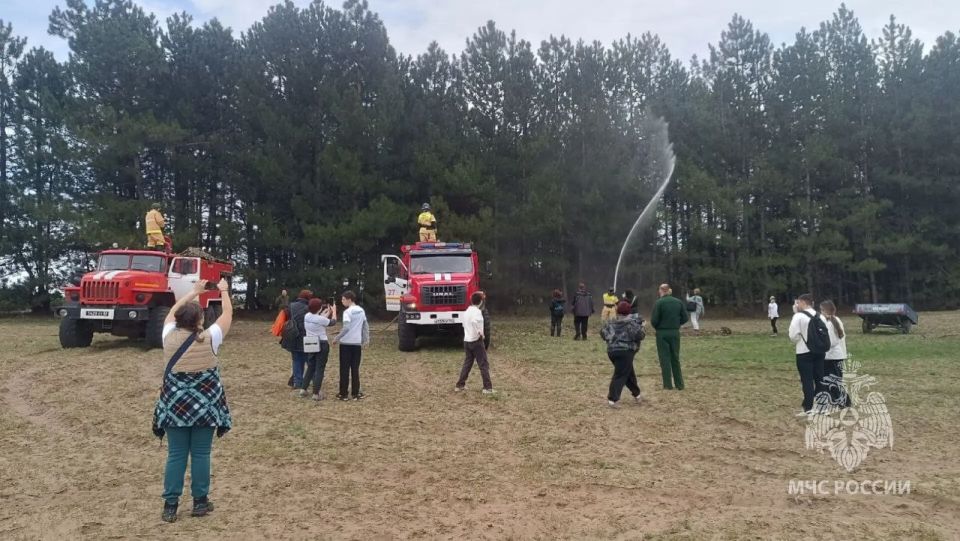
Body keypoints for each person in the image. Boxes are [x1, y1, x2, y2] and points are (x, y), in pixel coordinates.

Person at [152, 278, 233, 523]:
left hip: (175, 407)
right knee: (201, 454)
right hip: (205, 408)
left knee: (176, 455)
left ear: (178, 321)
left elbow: (173, 313)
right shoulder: (211, 338)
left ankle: (170, 505)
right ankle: (200, 502)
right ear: (200, 321)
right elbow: (227, 314)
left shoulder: (168, 335)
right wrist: (224, 291)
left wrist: (192, 293)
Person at [788, 293, 829, 416]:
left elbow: (792, 336)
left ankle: (808, 407)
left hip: (804, 352)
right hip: (820, 351)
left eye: (798, 303)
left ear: (803, 302)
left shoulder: (798, 316)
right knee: (820, 379)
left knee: (807, 380)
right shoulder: (820, 316)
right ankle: (823, 407)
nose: (797, 305)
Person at [600, 300, 646, 408]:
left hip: (612, 352)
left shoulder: (611, 322)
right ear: (628, 311)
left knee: (628, 373)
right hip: (626, 352)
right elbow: (640, 336)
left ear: (617, 311)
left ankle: (637, 395)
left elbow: (603, 334)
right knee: (620, 375)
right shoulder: (632, 323)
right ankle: (612, 399)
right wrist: (643, 326)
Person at [455, 291, 495, 393]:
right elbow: (474, 322)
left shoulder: (467, 311)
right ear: (481, 301)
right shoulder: (477, 312)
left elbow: (464, 324)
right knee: (483, 364)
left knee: (467, 363)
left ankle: (460, 385)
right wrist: (480, 333)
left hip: (467, 341)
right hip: (476, 341)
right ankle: (487, 388)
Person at [332, 290, 369, 400]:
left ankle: (343, 394)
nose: (342, 301)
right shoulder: (361, 310)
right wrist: (366, 340)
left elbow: (346, 327)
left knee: (344, 369)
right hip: (357, 343)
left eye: (343, 299)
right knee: (355, 368)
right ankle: (355, 393)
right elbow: (365, 326)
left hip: (346, 344)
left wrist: (336, 338)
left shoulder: (347, 312)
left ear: (349, 299)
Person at [651, 283, 688, 390]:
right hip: (675, 332)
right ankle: (679, 384)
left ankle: (668, 385)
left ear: (662, 290)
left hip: (662, 333)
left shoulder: (659, 303)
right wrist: (677, 324)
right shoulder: (678, 302)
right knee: (675, 358)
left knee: (665, 358)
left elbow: (654, 320)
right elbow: (685, 318)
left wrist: (658, 327)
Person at [299, 298, 337, 400]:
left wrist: (325, 313)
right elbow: (333, 322)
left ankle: (303, 389)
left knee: (311, 367)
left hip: (310, 343)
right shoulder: (320, 319)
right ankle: (316, 393)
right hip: (322, 344)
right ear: (319, 308)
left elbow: (319, 319)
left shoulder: (307, 316)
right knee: (320, 368)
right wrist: (334, 312)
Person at [820, 300, 849, 408]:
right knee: (835, 380)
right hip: (837, 355)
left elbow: (831, 342)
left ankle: (843, 401)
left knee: (832, 380)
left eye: (821, 310)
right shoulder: (836, 320)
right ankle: (838, 400)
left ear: (824, 310)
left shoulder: (829, 323)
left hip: (831, 356)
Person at [284, 290, 312, 389]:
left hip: (293, 336)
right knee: (309, 360)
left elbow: (286, 317)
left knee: (296, 360)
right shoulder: (309, 308)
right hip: (307, 336)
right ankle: (311, 380)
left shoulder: (291, 306)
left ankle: (297, 382)